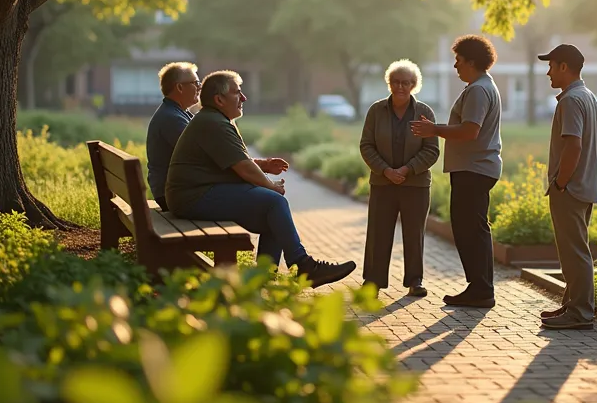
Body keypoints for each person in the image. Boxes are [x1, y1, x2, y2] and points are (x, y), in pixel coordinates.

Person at [165, 70, 356, 288]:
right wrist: (271, 186)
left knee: (272, 216)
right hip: (192, 198)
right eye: (237, 93)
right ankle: (304, 265)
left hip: (193, 194)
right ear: (219, 100)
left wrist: (264, 165)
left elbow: (236, 160)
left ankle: (264, 279)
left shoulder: (213, 119)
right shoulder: (214, 123)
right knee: (274, 203)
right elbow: (244, 168)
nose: (244, 98)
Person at [411, 34, 502, 308]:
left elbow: (470, 130)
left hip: (473, 169)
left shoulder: (478, 90)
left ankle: (481, 289)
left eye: (459, 60)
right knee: (473, 228)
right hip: (476, 168)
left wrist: (434, 130)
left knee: (470, 229)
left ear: (471, 62)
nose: (455, 66)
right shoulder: (483, 86)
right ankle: (480, 287)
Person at [360, 59, 440, 298]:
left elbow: (432, 150)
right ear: (389, 83)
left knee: (414, 234)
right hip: (382, 183)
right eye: (396, 82)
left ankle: (415, 281)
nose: (400, 86)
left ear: (414, 84)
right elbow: (366, 145)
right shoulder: (376, 111)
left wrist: (406, 169)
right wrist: (386, 170)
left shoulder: (424, 112)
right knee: (378, 233)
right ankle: (372, 281)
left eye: (406, 82)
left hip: (415, 184)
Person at [538, 44, 597, 330]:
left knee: (574, 252)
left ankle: (580, 312)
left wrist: (560, 183)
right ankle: (572, 304)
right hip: (583, 186)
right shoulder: (587, 96)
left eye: (551, 66)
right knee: (575, 249)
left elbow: (573, 146)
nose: (548, 72)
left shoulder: (571, 100)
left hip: (571, 188)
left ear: (564, 67)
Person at [146, 61, 200, 205]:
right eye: (196, 83)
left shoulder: (176, 112)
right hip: (173, 195)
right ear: (180, 87)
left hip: (174, 191)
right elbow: (200, 154)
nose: (199, 87)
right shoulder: (172, 118)